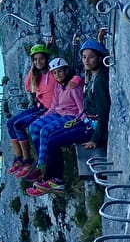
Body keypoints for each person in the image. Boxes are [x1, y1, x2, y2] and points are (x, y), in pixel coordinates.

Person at [26, 37, 111, 196]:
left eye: (91, 57)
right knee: (50, 137)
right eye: (84, 57)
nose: (86, 60)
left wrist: (95, 138)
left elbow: (103, 110)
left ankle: (55, 180)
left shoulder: (99, 81)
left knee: (52, 139)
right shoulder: (93, 76)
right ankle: (50, 177)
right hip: (87, 122)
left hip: (90, 126)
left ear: (100, 58)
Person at [16, 57, 83, 181]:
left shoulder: (73, 85)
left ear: (66, 71)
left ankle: (42, 166)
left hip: (71, 115)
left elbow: (81, 107)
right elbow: (54, 106)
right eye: (55, 73)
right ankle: (41, 158)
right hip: (58, 113)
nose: (57, 75)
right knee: (34, 127)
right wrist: (43, 117)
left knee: (45, 130)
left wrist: (81, 120)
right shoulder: (58, 86)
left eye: (60, 71)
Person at [6, 44, 54, 172]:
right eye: (35, 59)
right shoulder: (37, 75)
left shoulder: (52, 73)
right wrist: (33, 68)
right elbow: (27, 86)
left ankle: (27, 160)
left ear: (47, 59)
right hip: (38, 106)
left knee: (18, 125)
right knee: (10, 123)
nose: (38, 62)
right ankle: (18, 157)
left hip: (47, 109)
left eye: (41, 59)